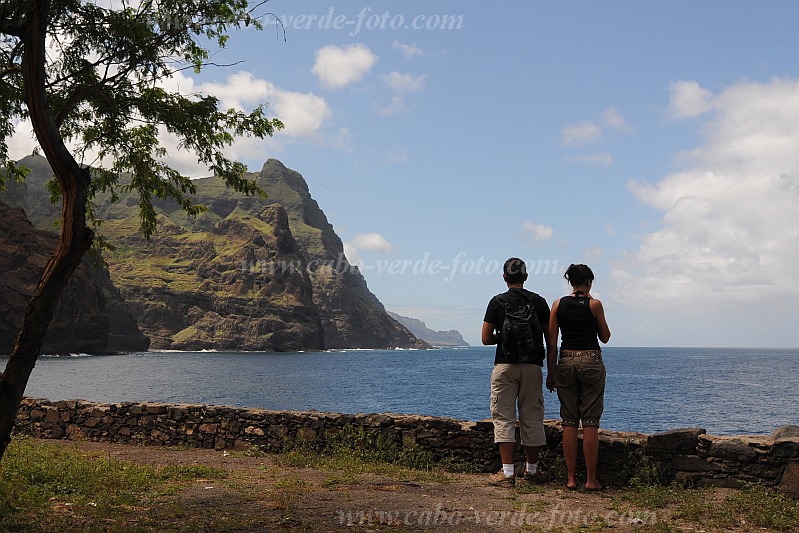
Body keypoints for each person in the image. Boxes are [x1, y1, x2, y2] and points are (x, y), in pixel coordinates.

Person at [482, 257, 555, 486]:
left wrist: (503, 338)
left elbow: (485, 338)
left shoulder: (497, 302)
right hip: (533, 366)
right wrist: (551, 373)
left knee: (504, 416)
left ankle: (507, 473)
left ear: (504, 277)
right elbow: (550, 339)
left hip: (505, 366)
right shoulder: (539, 302)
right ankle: (532, 470)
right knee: (532, 416)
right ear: (525, 276)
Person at [547, 264, 611, 491]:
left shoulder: (557, 304)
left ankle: (571, 478)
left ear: (570, 282)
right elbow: (605, 337)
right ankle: (591, 480)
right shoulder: (594, 305)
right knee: (591, 421)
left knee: (569, 421)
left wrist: (551, 372)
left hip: (565, 360)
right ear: (589, 282)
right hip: (590, 360)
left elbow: (552, 343)